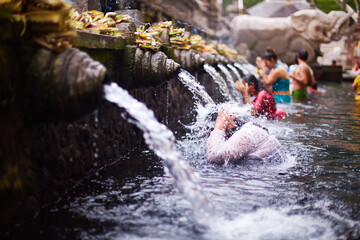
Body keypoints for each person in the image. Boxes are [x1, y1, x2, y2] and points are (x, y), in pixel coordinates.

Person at [206, 109, 286, 164]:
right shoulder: (248, 129)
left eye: (213, 134)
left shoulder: (246, 134)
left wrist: (219, 127)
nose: (215, 138)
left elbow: (214, 156)